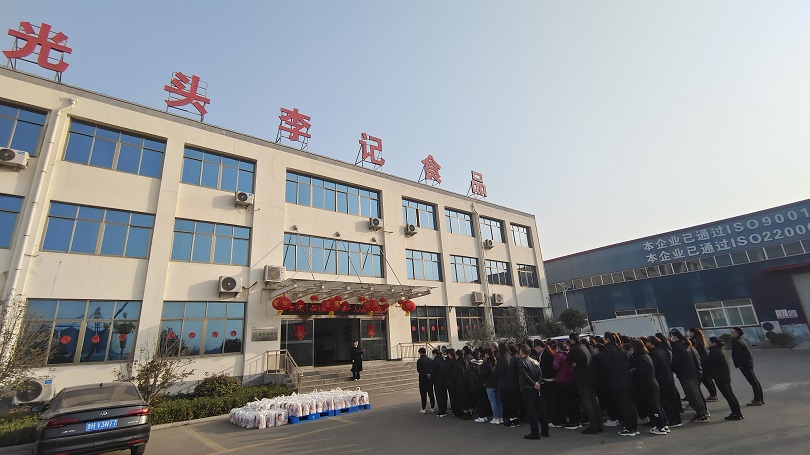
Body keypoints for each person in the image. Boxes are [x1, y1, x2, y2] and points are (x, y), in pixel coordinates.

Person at [602, 332, 639, 436]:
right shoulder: (619, 348)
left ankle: (629, 428)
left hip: (616, 380)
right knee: (630, 404)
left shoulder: (608, 350)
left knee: (623, 404)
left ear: (607, 339)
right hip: (626, 379)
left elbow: (606, 367)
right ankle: (634, 426)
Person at [566, 333, 603, 434]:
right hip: (590, 377)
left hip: (581, 379)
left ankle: (593, 426)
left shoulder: (574, 349)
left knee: (587, 402)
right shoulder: (584, 347)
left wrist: (574, 365)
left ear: (572, 340)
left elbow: (569, 362)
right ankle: (599, 425)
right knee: (594, 401)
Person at [629, 339, 668, 435]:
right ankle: (663, 424)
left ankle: (660, 427)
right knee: (658, 405)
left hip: (647, 385)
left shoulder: (639, 358)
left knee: (654, 406)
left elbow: (638, 372)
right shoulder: (646, 355)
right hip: (653, 383)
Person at [670, 329, 709, 423]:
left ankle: (701, 415)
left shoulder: (678, 347)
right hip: (693, 373)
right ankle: (703, 411)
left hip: (686, 375)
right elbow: (697, 358)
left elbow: (676, 363)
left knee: (692, 395)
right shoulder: (687, 345)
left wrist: (673, 368)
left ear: (675, 337)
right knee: (697, 394)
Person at [646, 335, 682, 428]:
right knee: (672, 399)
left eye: (648, 342)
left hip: (661, 379)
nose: (647, 344)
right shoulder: (663, 350)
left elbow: (654, 367)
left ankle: (672, 419)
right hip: (669, 377)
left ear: (652, 343)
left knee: (665, 400)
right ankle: (677, 419)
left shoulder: (654, 353)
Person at [517, 344, 550, 440]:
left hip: (527, 388)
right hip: (537, 388)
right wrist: (538, 383)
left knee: (531, 411)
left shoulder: (521, 362)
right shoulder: (535, 361)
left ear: (522, 352)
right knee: (541, 410)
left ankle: (535, 432)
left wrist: (533, 384)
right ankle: (545, 430)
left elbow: (524, 375)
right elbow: (540, 373)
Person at [707, 337, 743, 420]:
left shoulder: (714, 352)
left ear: (714, 343)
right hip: (725, 376)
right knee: (731, 395)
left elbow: (711, 365)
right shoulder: (720, 350)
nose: (709, 343)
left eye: (710, 342)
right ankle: (737, 412)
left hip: (720, 377)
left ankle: (736, 413)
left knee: (729, 396)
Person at [730, 327, 764, 406]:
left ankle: (758, 399)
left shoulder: (737, 342)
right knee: (754, 381)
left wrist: (740, 365)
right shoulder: (739, 340)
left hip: (745, 364)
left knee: (753, 381)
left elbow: (740, 355)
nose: (730, 333)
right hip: (747, 363)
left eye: (732, 332)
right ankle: (759, 399)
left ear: (737, 333)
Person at [689, 328, 719, 402]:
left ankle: (713, 395)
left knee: (705, 379)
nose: (688, 333)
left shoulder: (694, 340)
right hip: (704, 361)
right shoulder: (699, 339)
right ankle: (713, 394)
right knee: (707, 379)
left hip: (701, 362)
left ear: (692, 333)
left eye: (689, 332)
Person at [495, 342, 520, 427]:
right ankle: (515, 418)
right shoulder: (511, 357)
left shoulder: (502, 358)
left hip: (505, 384)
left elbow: (497, 371)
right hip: (513, 383)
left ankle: (511, 419)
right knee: (514, 402)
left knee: (508, 402)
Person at [480, 347, 502, 424]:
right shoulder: (496, 361)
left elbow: (482, 375)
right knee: (499, 401)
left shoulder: (485, 364)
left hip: (489, 384)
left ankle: (496, 418)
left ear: (486, 354)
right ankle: (500, 417)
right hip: (497, 383)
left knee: (493, 402)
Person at [416, 347, 435, 413]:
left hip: (422, 379)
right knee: (431, 393)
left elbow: (419, 370)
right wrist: (429, 374)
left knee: (423, 394)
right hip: (429, 379)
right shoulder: (430, 360)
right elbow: (432, 369)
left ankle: (423, 408)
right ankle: (432, 407)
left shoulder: (419, 361)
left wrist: (425, 374)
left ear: (420, 353)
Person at [431, 349, 449, 417]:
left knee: (439, 396)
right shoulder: (443, 360)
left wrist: (432, 381)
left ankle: (441, 411)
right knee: (444, 395)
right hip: (443, 380)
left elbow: (433, 372)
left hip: (437, 381)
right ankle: (444, 408)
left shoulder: (435, 361)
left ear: (435, 354)